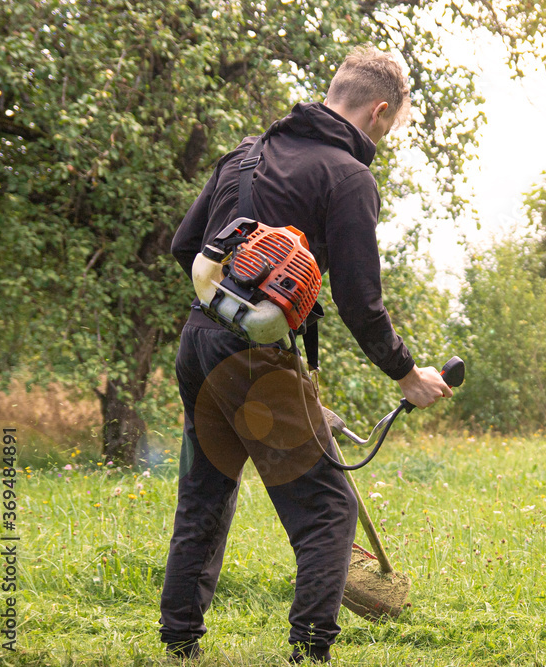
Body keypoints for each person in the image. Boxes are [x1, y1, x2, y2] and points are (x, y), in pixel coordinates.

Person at [162, 46, 452, 663]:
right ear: (379, 112)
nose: (386, 136)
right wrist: (406, 373)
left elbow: (183, 245)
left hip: (197, 344)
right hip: (251, 360)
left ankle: (178, 642)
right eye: (391, 126)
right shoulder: (348, 178)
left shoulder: (244, 155)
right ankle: (310, 651)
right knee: (327, 509)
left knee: (206, 495)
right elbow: (358, 298)